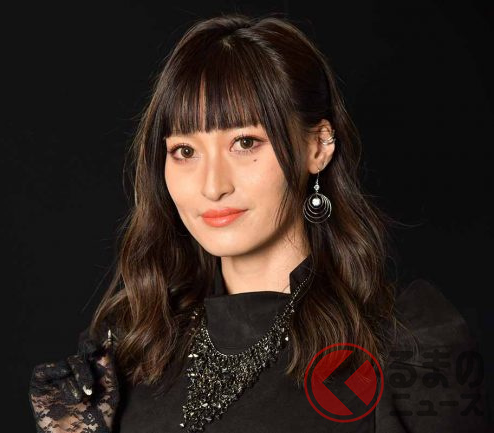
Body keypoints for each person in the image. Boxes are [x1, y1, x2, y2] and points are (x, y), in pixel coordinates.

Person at [28, 13, 489, 433]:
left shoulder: (404, 349)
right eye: (185, 151)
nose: (213, 186)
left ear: (318, 146)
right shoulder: (132, 350)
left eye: (245, 142)